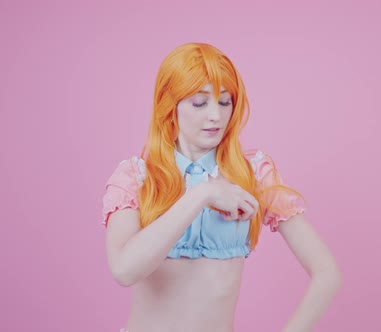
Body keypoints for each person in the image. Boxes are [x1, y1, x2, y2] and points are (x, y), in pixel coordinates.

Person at [101, 42, 342, 332]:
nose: (215, 116)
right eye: (199, 103)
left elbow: (327, 273)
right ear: (169, 105)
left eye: (225, 102)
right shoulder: (135, 177)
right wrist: (203, 193)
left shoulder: (253, 173)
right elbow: (125, 270)